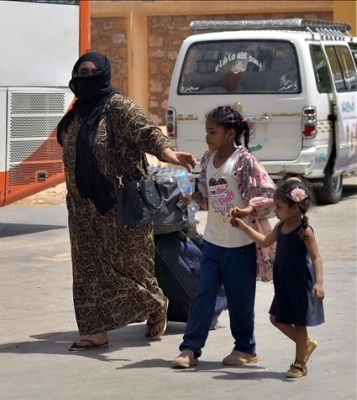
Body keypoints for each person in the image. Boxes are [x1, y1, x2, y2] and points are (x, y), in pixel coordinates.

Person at [56, 51, 197, 351]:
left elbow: (148, 133)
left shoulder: (118, 107)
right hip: (82, 209)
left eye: (93, 72)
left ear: (105, 75)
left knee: (131, 267)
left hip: (120, 204)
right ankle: (94, 330)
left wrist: (170, 154)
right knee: (87, 271)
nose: (87, 77)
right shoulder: (76, 113)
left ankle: (156, 304)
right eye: (82, 72)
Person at [171, 105, 276, 369]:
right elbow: (207, 198)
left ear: (230, 134)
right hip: (213, 242)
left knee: (240, 299)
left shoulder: (245, 161)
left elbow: (269, 196)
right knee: (203, 294)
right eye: (206, 131)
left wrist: (247, 210)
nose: (207, 137)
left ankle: (245, 348)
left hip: (240, 244)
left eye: (212, 132)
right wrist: (192, 197)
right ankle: (190, 348)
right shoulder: (208, 159)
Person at [230, 178, 324, 378]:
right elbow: (265, 241)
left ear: (294, 208)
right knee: (276, 319)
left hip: (299, 282)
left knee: (299, 324)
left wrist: (319, 283)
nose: (275, 211)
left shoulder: (304, 231)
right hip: (283, 281)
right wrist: (243, 227)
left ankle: (299, 364)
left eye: (279, 207)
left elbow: (316, 257)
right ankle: (304, 344)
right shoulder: (281, 226)